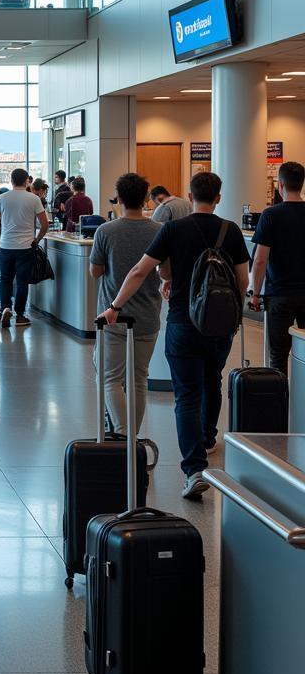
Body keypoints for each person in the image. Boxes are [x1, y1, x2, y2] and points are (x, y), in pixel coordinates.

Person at [101, 171, 250, 499]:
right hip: (221, 325)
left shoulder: (174, 228)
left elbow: (141, 270)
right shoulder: (232, 231)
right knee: (213, 379)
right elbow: (243, 280)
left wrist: (114, 306)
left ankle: (194, 468)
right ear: (219, 198)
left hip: (184, 321)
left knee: (186, 394)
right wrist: (232, 313)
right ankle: (209, 439)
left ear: (188, 194)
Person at [89, 173, 162, 436]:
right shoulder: (159, 231)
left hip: (113, 315)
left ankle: (122, 434)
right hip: (148, 315)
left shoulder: (105, 231)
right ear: (145, 199)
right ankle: (134, 437)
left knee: (109, 378)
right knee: (139, 378)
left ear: (118, 199)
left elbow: (96, 271)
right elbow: (166, 273)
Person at [249, 160, 305, 376]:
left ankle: (280, 406)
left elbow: (260, 260)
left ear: (280, 185)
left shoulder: (271, 215)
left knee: (278, 356)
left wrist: (255, 294)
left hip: (280, 295)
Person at [0, 167, 49, 329]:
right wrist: (36, 240)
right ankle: (20, 315)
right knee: (22, 282)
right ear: (26, 181)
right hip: (25, 247)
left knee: (5, 279)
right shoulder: (33, 199)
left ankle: (5, 308)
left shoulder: (2, 198)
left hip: (5, 245)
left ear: (11, 181)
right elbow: (44, 224)